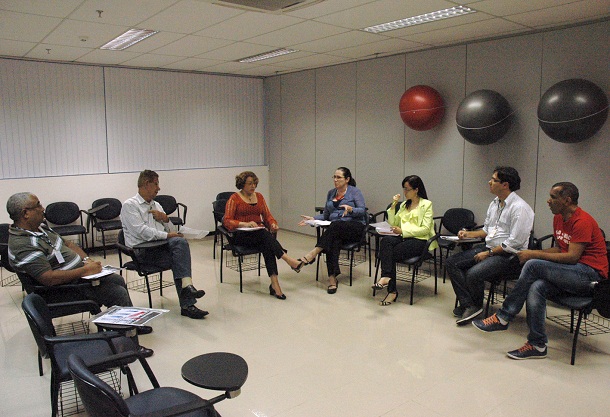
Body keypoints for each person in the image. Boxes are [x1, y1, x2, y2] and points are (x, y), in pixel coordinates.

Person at [6, 192, 153, 356]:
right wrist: (85, 271)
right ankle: (130, 347)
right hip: (59, 292)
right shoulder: (23, 244)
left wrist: (87, 261)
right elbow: (48, 278)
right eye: (38, 205)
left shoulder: (40, 228)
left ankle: (127, 327)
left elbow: (68, 244)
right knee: (117, 293)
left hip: (76, 280)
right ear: (26, 213)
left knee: (117, 279)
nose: (43, 208)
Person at [472, 182, 608, 359]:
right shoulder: (558, 218)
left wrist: (533, 254)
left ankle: (504, 316)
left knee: (533, 264)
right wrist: (532, 254)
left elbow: (572, 257)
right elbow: (560, 250)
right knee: (537, 287)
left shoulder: (583, 221)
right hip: (571, 272)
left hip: (590, 276)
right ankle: (537, 344)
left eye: (553, 197)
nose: (548, 201)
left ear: (567, 200)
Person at [447, 166, 534, 325]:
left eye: (494, 180)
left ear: (505, 185)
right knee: (452, 262)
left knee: (473, 273)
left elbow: (514, 243)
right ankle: (469, 304)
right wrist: (468, 234)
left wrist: (489, 254)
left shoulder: (520, 208)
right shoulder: (494, 203)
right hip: (490, 248)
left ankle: (475, 306)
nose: (489, 182)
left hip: (510, 256)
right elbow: (487, 230)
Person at [121, 170, 208, 319]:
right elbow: (141, 232)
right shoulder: (130, 205)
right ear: (146, 184)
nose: (159, 188)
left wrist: (166, 219)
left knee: (179, 245)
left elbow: (172, 231)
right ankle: (187, 299)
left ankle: (187, 290)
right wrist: (167, 235)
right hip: (142, 252)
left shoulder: (157, 205)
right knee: (179, 257)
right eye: (156, 184)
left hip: (160, 249)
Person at [223, 171, 304, 300]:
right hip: (241, 236)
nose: (253, 186)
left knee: (267, 244)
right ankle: (288, 260)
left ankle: (275, 284)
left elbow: (268, 216)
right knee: (264, 235)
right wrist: (244, 224)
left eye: (255, 183)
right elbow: (227, 221)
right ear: (242, 184)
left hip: (259, 235)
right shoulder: (234, 198)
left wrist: (273, 224)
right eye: (250, 183)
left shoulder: (259, 197)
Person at [298, 167, 367, 294]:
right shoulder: (331, 193)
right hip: (336, 229)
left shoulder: (355, 192)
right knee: (332, 241)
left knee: (334, 227)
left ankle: (312, 254)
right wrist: (313, 219)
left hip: (355, 227)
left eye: (338, 177)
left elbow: (362, 211)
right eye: (334, 177)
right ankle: (332, 279)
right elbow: (326, 215)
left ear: (347, 179)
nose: (335, 180)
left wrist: (351, 209)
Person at [371, 175, 438, 306]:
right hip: (402, 237)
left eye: (407, 189)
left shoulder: (426, 205)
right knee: (385, 241)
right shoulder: (404, 205)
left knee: (389, 254)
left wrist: (403, 231)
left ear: (416, 190)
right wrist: (394, 205)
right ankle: (387, 279)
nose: (404, 192)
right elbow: (393, 223)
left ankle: (391, 289)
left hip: (419, 241)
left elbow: (425, 229)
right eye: (404, 189)